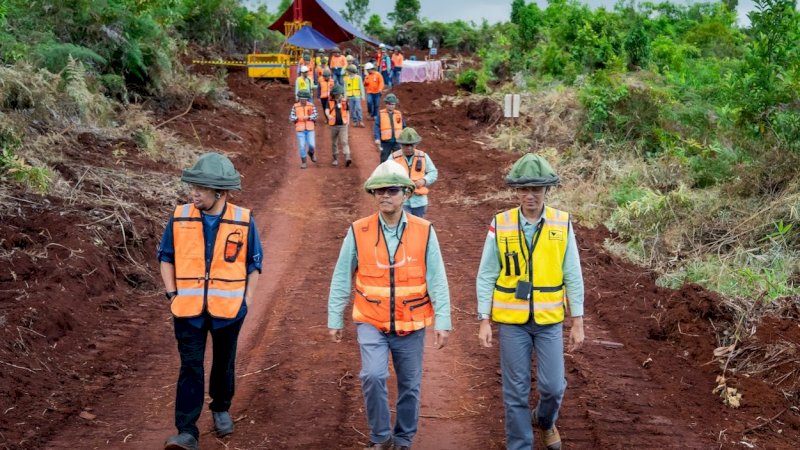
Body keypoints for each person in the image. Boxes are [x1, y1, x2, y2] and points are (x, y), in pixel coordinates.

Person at [327, 159, 452, 450]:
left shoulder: (424, 230)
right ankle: (381, 437)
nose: (385, 195)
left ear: (406, 194)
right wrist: (335, 316)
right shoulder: (358, 230)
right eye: (379, 190)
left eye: (392, 190)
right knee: (372, 375)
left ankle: (404, 439)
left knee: (410, 386)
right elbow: (342, 275)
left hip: (411, 324)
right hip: (371, 320)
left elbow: (437, 278)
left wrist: (443, 321)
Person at [475, 153, 585, 450]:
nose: (530, 196)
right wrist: (484, 318)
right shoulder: (501, 224)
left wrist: (577, 320)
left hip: (549, 321)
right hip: (512, 323)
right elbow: (486, 274)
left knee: (552, 387)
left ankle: (546, 421)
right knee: (515, 392)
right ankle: (520, 445)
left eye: (536, 189)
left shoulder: (562, 223)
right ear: (516, 191)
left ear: (546, 190)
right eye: (524, 189)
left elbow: (572, 273)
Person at [159, 152, 262, 450]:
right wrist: (172, 294)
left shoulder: (243, 220)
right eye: (193, 187)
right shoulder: (179, 217)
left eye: (200, 189)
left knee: (223, 363)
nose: (194, 193)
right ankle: (187, 430)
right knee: (190, 366)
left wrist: (247, 302)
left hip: (229, 310)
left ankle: (220, 407)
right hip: (187, 310)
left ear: (220, 192)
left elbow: (254, 265)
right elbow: (166, 258)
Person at [391, 128, 437, 218]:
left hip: (419, 201)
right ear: (400, 144)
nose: (409, 148)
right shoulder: (394, 158)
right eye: (405, 145)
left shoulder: (423, 156)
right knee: (404, 226)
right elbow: (386, 175)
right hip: (401, 200)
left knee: (419, 227)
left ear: (416, 144)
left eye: (411, 145)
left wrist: (424, 180)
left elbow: (433, 172)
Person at [374, 93, 406, 163]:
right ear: (386, 104)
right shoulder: (381, 114)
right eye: (389, 104)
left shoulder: (398, 114)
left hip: (397, 142)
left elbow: (403, 127)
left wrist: (405, 139)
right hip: (385, 143)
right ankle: (383, 173)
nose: (391, 106)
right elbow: (376, 126)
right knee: (384, 160)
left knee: (399, 160)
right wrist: (377, 138)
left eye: (393, 104)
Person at [290, 91, 318, 169]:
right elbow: (291, 117)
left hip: (310, 128)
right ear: (299, 98)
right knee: (302, 146)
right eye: (301, 98)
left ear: (307, 99)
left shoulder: (311, 105)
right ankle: (304, 162)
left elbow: (316, 115)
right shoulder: (295, 106)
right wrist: (297, 118)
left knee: (312, 145)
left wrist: (309, 117)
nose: (303, 100)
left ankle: (311, 153)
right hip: (300, 129)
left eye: (304, 98)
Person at [327, 85, 352, 167]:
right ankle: (335, 158)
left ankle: (347, 157)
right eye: (337, 94)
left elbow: (347, 111)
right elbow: (326, 110)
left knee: (344, 141)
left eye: (340, 94)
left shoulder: (344, 101)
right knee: (334, 142)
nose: (338, 96)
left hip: (343, 125)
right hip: (333, 125)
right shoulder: (330, 102)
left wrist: (348, 120)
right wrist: (328, 115)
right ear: (333, 94)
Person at [344, 64, 366, 128]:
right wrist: (345, 96)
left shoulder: (358, 78)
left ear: (350, 71)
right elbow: (345, 88)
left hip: (357, 95)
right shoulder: (346, 79)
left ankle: (360, 120)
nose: (347, 72)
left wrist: (363, 95)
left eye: (348, 71)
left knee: (358, 108)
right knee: (352, 109)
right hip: (350, 96)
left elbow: (361, 86)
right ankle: (355, 121)